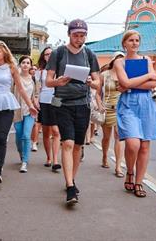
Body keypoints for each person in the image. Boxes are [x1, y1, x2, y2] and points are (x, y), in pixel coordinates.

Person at [46, 19, 100, 204]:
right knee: (67, 143)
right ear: (69, 34)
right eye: (76, 35)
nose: (79, 38)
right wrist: (58, 81)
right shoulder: (58, 52)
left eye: (82, 35)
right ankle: (69, 186)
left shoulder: (89, 54)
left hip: (83, 104)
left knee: (78, 145)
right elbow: (48, 81)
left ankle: (72, 179)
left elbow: (98, 82)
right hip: (63, 104)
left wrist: (90, 83)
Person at [0, 41, 37, 185]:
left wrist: (30, 106)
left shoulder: (11, 67)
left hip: (6, 104)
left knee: (1, 137)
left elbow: (21, 89)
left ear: (4, 52)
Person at [114, 30, 156, 198]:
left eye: (137, 40)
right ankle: (129, 172)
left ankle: (139, 182)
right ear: (124, 44)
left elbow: (154, 84)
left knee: (145, 145)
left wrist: (129, 85)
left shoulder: (146, 60)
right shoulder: (120, 62)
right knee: (133, 144)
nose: (134, 43)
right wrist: (147, 75)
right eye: (131, 40)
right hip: (128, 104)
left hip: (146, 104)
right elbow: (125, 82)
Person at [99, 51, 125, 178]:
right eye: (118, 59)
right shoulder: (104, 74)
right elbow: (97, 93)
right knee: (106, 137)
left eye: (122, 60)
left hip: (121, 109)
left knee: (119, 137)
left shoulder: (125, 75)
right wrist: (100, 105)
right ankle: (104, 157)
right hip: (107, 108)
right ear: (113, 61)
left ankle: (118, 166)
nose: (120, 62)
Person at [36, 47, 61, 171]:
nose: (49, 56)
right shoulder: (40, 71)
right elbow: (37, 88)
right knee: (46, 132)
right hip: (44, 101)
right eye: (46, 54)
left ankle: (56, 160)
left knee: (56, 131)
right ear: (43, 56)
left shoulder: (59, 68)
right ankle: (48, 158)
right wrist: (36, 100)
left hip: (56, 100)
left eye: (51, 54)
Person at [13, 56, 39, 173]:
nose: (25, 65)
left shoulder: (34, 80)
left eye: (28, 63)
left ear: (30, 66)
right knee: (18, 136)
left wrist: (35, 104)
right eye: (23, 62)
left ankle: (25, 161)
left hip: (30, 111)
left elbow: (36, 95)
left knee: (26, 135)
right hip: (17, 111)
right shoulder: (15, 78)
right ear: (20, 64)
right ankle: (22, 154)